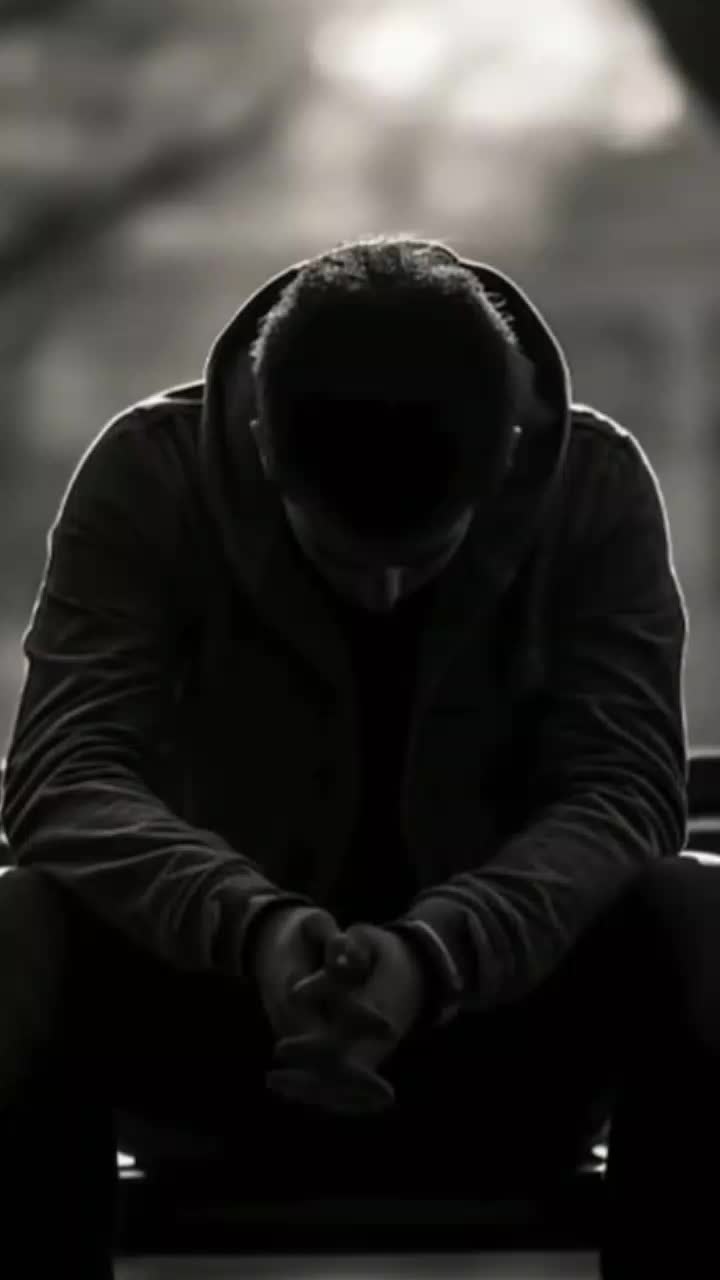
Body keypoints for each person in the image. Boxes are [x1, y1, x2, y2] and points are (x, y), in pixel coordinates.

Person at [0, 232, 717, 1278]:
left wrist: (439, 955)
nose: (383, 593)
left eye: (423, 558)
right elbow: (66, 772)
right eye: (339, 556)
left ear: (509, 454)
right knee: (17, 922)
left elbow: (623, 788)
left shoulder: (592, 485)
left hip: (508, 1053)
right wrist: (253, 929)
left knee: (698, 910)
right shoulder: (152, 474)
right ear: (261, 443)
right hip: (211, 1042)